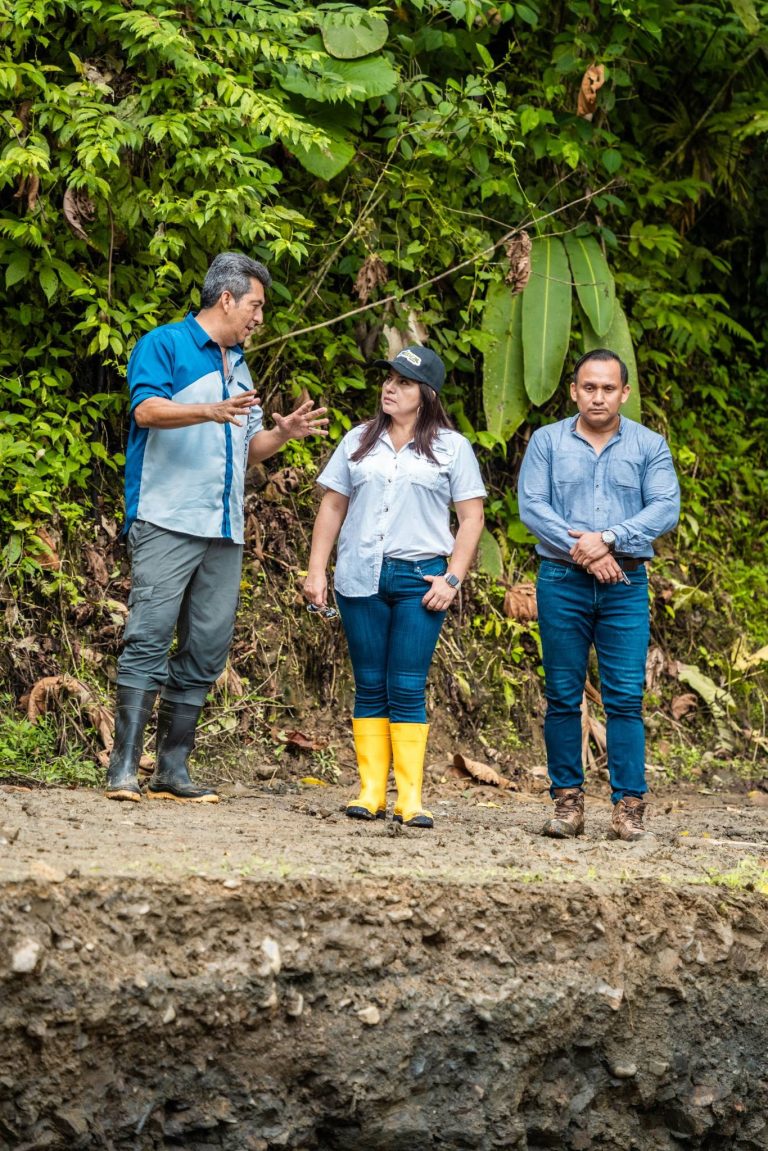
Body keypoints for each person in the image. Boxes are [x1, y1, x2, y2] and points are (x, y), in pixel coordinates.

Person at [105, 252, 328, 804]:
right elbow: (146, 412)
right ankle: (123, 770)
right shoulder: (166, 344)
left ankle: (172, 770)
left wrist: (284, 435)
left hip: (224, 527)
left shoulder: (240, 364)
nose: (259, 318)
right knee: (149, 638)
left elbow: (248, 448)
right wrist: (210, 410)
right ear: (226, 298)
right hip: (166, 516)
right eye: (255, 305)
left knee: (207, 647)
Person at [303, 345, 486, 829]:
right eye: (388, 379)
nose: (390, 387)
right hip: (360, 574)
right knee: (369, 684)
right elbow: (333, 507)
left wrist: (453, 577)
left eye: (403, 382)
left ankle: (410, 796)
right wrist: (317, 569)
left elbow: (471, 518)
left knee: (406, 685)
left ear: (425, 394)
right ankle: (369, 790)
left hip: (420, 579)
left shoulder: (452, 448)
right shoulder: (359, 440)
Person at [518, 348, 680, 841]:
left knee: (626, 698)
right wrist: (586, 549)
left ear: (624, 393)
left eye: (609, 388)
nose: (598, 396)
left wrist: (608, 538)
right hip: (561, 581)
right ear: (573, 391)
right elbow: (532, 506)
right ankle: (567, 804)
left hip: (625, 585)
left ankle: (628, 806)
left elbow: (665, 509)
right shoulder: (547, 442)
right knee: (563, 696)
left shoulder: (649, 446)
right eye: (589, 387)